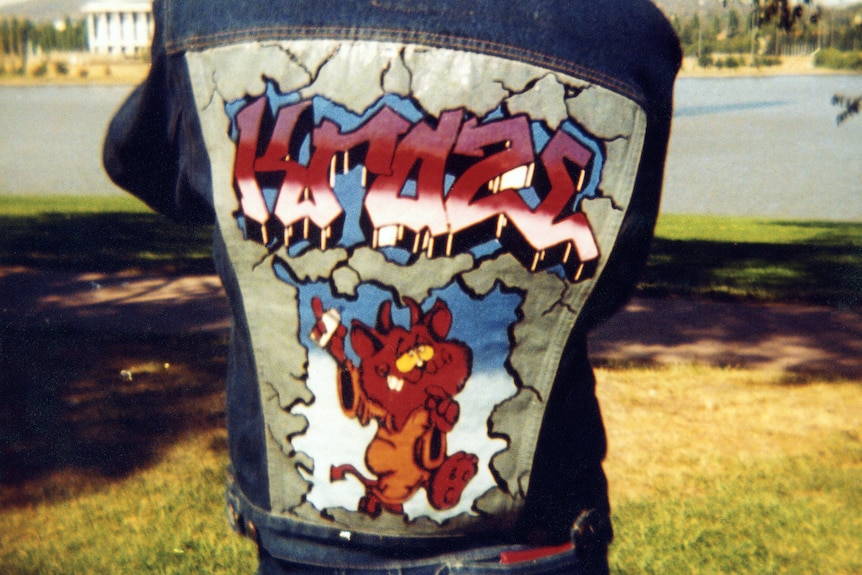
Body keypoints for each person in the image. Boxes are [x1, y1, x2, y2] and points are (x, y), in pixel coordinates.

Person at [103, 1, 681, 573]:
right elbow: (609, 279)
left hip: (305, 546)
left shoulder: (208, 15)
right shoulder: (623, 35)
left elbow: (151, 169)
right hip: (534, 539)